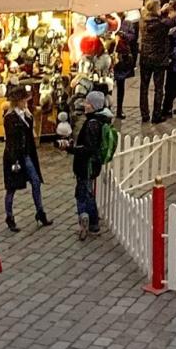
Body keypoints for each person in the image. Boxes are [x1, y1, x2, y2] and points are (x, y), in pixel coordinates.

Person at [2, 88, 49, 231]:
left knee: (35, 181)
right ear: (18, 102)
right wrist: (14, 161)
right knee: (11, 188)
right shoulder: (10, 118)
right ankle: (9, 217)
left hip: (27, 155)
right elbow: (11, 141)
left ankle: (40, 212)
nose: (26, 102)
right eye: (24, 100)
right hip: (14, 157)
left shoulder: (27, 115)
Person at [72, 87, 111, 238]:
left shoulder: (92, 124)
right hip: (92, 165)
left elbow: (87, 148)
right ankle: (93, 222)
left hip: (86, 165)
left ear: (94, 106)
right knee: (88, 192)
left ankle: (85, 218)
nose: (85, 105)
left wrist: (71, 149)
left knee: (83, 194)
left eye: (88, 103)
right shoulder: (100, 121)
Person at [138, 0, 172, 124]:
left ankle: (144, 114)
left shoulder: (143, 21)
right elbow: (170, 22)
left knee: (144, 87)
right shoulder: (161, 24)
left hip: (145, 58)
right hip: (158, 60)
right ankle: (156, 115)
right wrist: (165, 12)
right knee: (158, 88)